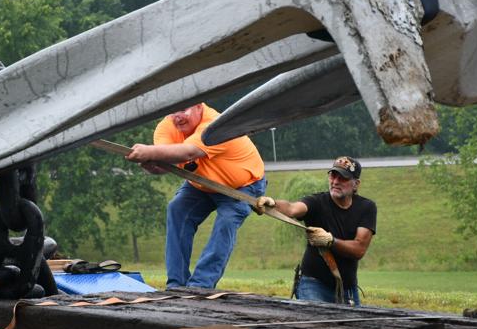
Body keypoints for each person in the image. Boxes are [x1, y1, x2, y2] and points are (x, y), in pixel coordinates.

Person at [125, 103, 266, 289]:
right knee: (177, 209)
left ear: (199, 106)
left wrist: (149, 152)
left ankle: (201, 285)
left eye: (183, 110)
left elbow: (190, 151)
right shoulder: (166, 127)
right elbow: (166, 162)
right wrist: (151, 165)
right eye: (173, 111)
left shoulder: (216, 125)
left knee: (227, 221)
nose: (177, 117)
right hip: (201, 183)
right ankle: (177, 283)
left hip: (241, 186)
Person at [255, 156, 376, 305]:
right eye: (333, 175)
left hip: (347, 289)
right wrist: (272, 203)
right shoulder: (316, 202)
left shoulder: (366, 208)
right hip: (313, 284)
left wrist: (330, 241)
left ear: (356, 184)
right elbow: (292, 208)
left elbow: (359, 249)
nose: (336, 181)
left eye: (343, 178)